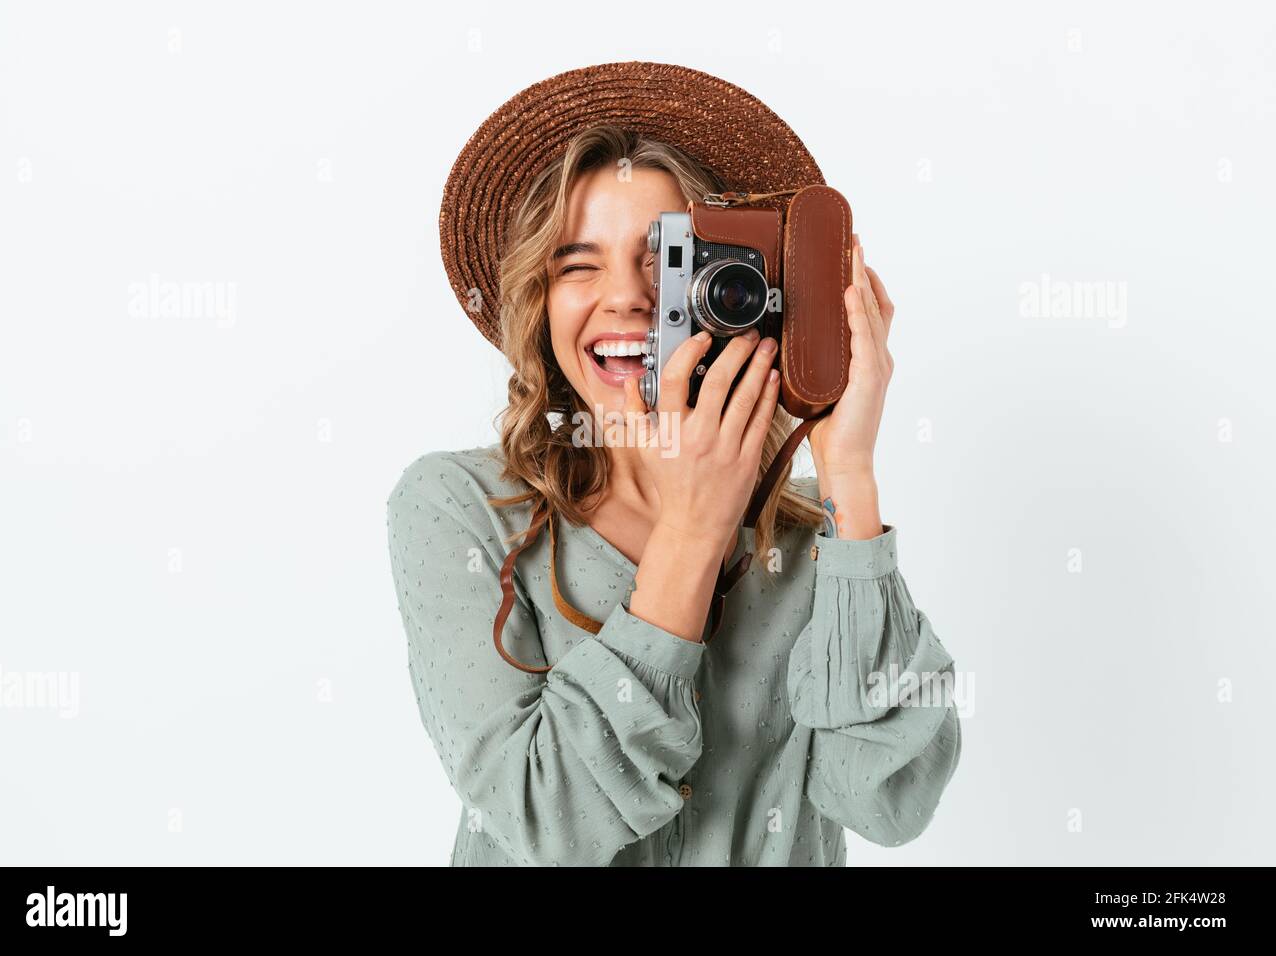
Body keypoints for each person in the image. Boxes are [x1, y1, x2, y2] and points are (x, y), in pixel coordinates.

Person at [388, 61, 961, 866]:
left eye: (665, 262)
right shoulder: (460, 508)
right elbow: (543, 821)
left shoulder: (809, 545)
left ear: (740, 292)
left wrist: (849, 473)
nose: (624, 298)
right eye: (576, 264)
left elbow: (887, 800)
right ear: (539, 302)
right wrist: (694, 529)